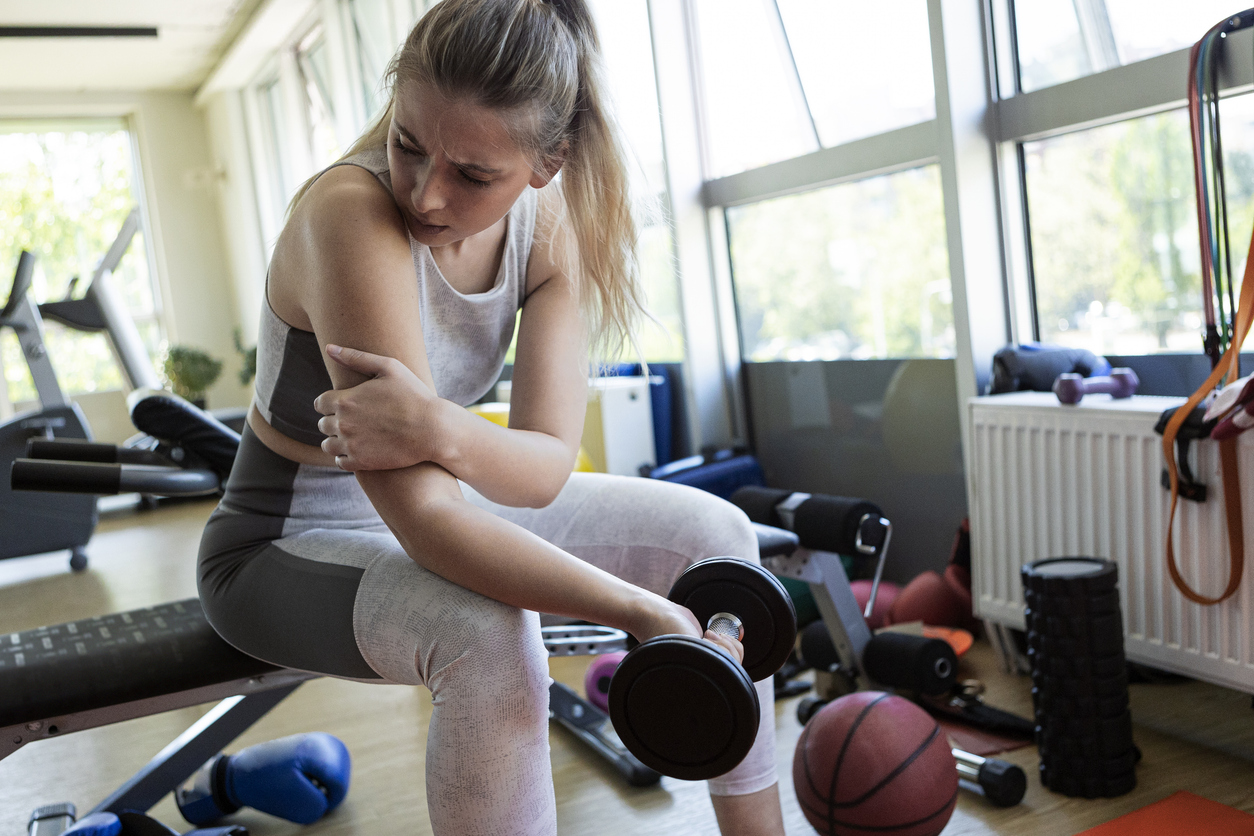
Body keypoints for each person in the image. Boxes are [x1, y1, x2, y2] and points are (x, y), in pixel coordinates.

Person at [197, 1, 785, 833]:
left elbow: (545, 467)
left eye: (474, 176)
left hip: (445, 497)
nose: (427, 194)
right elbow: (430, 523)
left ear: (548, 164)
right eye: (407, 144)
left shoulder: (551, 230)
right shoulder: (351, 217)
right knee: (490, 636)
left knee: (718, 536)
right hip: (281, 544)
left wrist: (435, 426)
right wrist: (641, 612)